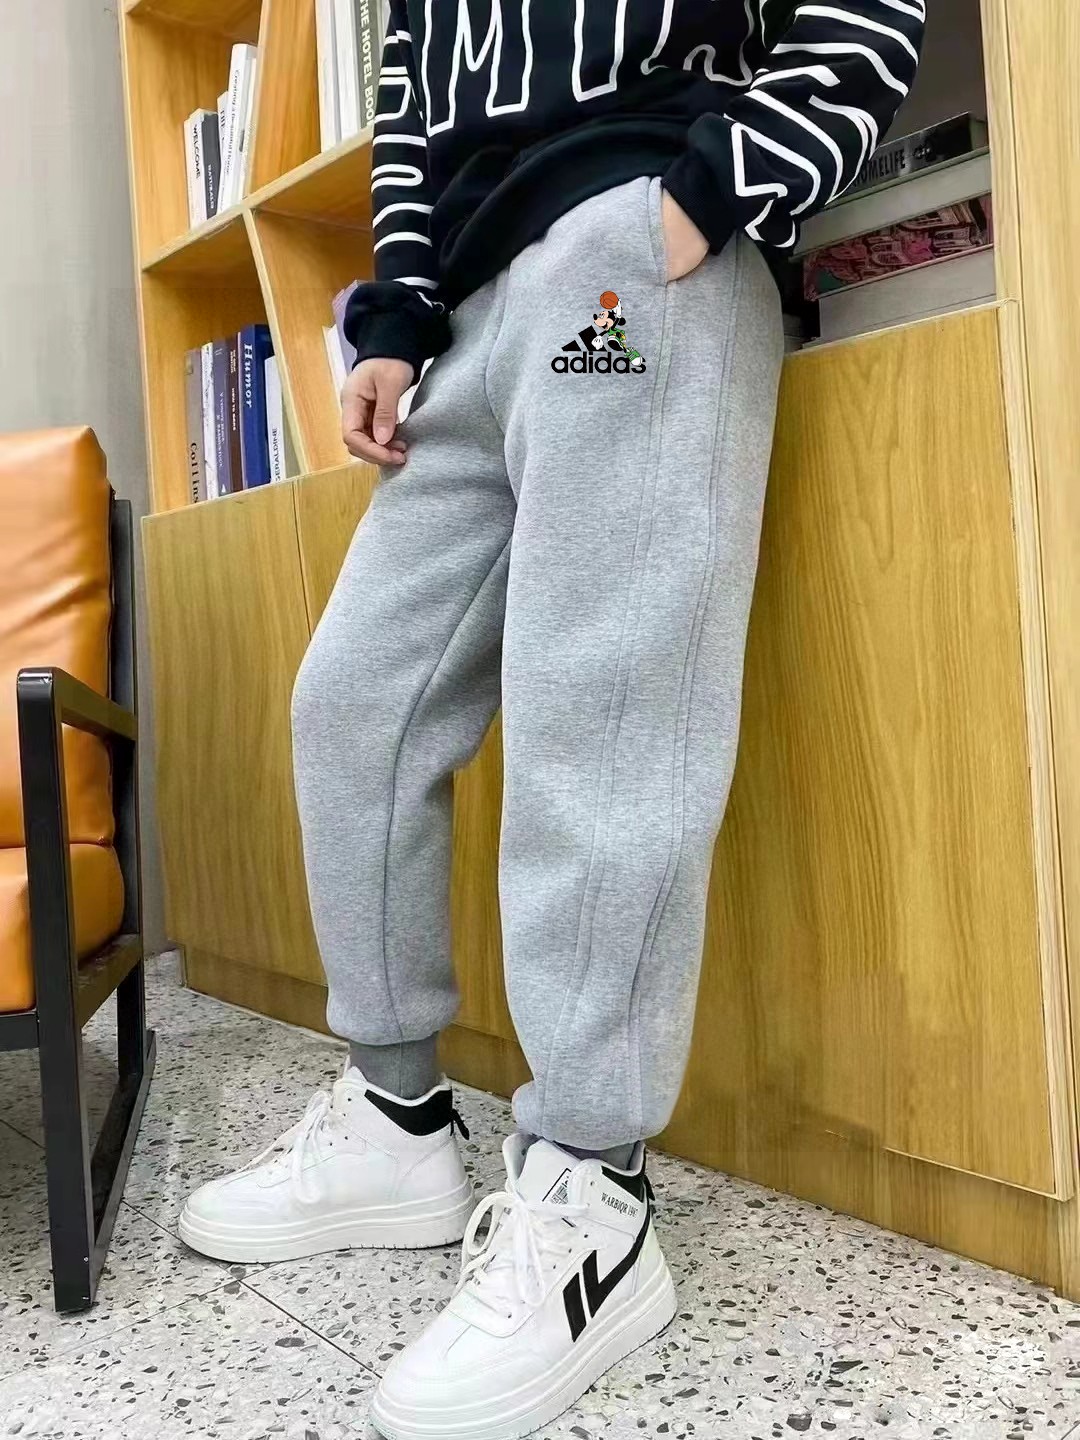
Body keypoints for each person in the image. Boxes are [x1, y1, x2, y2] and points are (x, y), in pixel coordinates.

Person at [181, 3, 924, 1435]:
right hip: (466, 329)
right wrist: (396, 317)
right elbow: (416, 124)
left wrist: (707, 191)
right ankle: (398, 1121)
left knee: (605, 709)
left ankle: (594, 1194)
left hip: (621, 264)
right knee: (356, 706)